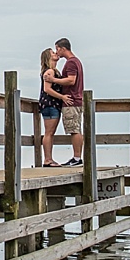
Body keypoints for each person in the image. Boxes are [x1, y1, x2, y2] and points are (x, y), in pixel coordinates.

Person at [53, 38, 84, 167]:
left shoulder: (71, 63)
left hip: (71, 100)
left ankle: (77, 158)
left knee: (74, 129)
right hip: (76, 99)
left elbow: (71, 80)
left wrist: (54, 79)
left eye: (57, 49)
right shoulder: (76, 62)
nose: (57, 52)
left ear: (63, 48)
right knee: (75, 128)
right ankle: (77, 157)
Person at [38, 47, 69, 166]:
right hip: (50, 104)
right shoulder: (49, 72)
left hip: (52, 104)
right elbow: (47, 89)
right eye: (52, 53)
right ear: (48, 57)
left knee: (50, 132)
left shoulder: (54, 71)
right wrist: (62, 97)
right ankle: (47, 159)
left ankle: (49, 159)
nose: (56, 53)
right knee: (49, 133)